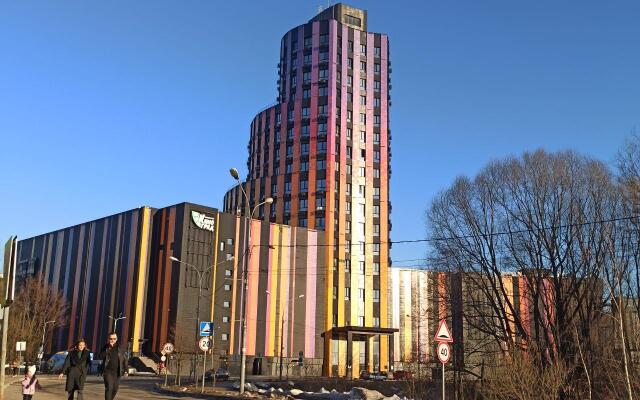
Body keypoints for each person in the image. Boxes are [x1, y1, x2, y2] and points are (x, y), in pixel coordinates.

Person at [98, 332, 126, 400]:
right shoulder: (105, 347)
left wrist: (126, 369)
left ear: (116, 339)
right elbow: (100, 356)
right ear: (108, 339)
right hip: (108, 371)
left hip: (117, 372)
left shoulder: (120, 347)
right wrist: (108, 349)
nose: (112, 340)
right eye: (111, 338)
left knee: (115, 389)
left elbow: (124, 359)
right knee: (109, 387)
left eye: (114, 338)